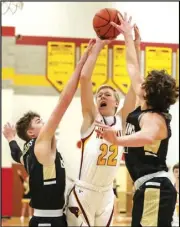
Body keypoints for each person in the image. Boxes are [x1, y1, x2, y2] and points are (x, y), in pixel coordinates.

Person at [95, 12, 179, 227]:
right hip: (148, 186)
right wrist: (129, 38)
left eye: (144, 84)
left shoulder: (154, 118)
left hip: (156, 186)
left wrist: (117, 140)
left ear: (148, 93)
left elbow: (146, 136)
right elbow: (132, 66)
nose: (138, 83)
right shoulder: (144, 106)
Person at [2, 40, 94, 227]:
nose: (44, 123)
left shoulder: (28, 152)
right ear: (31, 132)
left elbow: (16, 154)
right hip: (48, 220)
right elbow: (64, 100)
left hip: (47, 218)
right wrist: (81, 61)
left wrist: (11, 138)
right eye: (38, 122)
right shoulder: (40, 145)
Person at [66, 25, 141, 226]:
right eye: (99, 94)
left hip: (107, 193)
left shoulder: (122, 121)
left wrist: (135, 46)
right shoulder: (91, 118)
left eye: (107, 94)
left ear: (116, 102)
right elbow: (84, 79)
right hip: (85, 191)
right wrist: (99, 44)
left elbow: (136, 84)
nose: (101, 96)